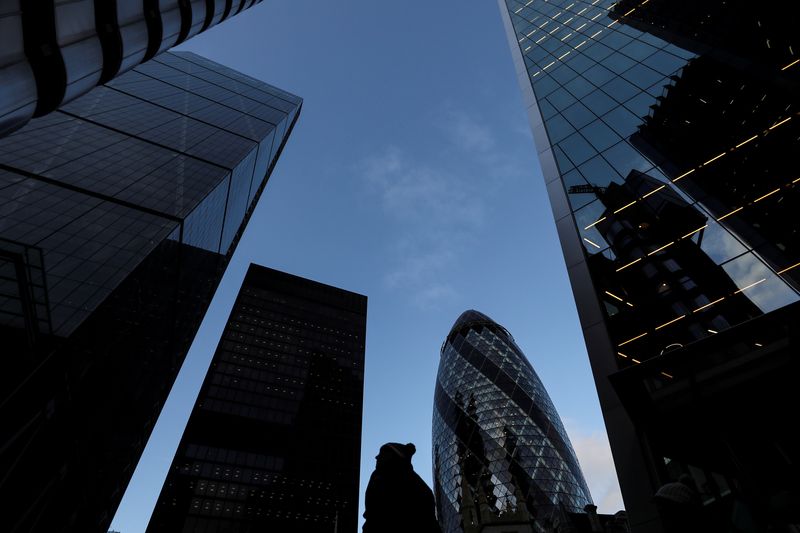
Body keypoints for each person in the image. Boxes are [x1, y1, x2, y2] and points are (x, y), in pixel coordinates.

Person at [363, 442, 442, 533]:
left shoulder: (415, 485)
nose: (376, 457)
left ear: (392, 456)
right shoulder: (378, 476)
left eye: (381, 454)